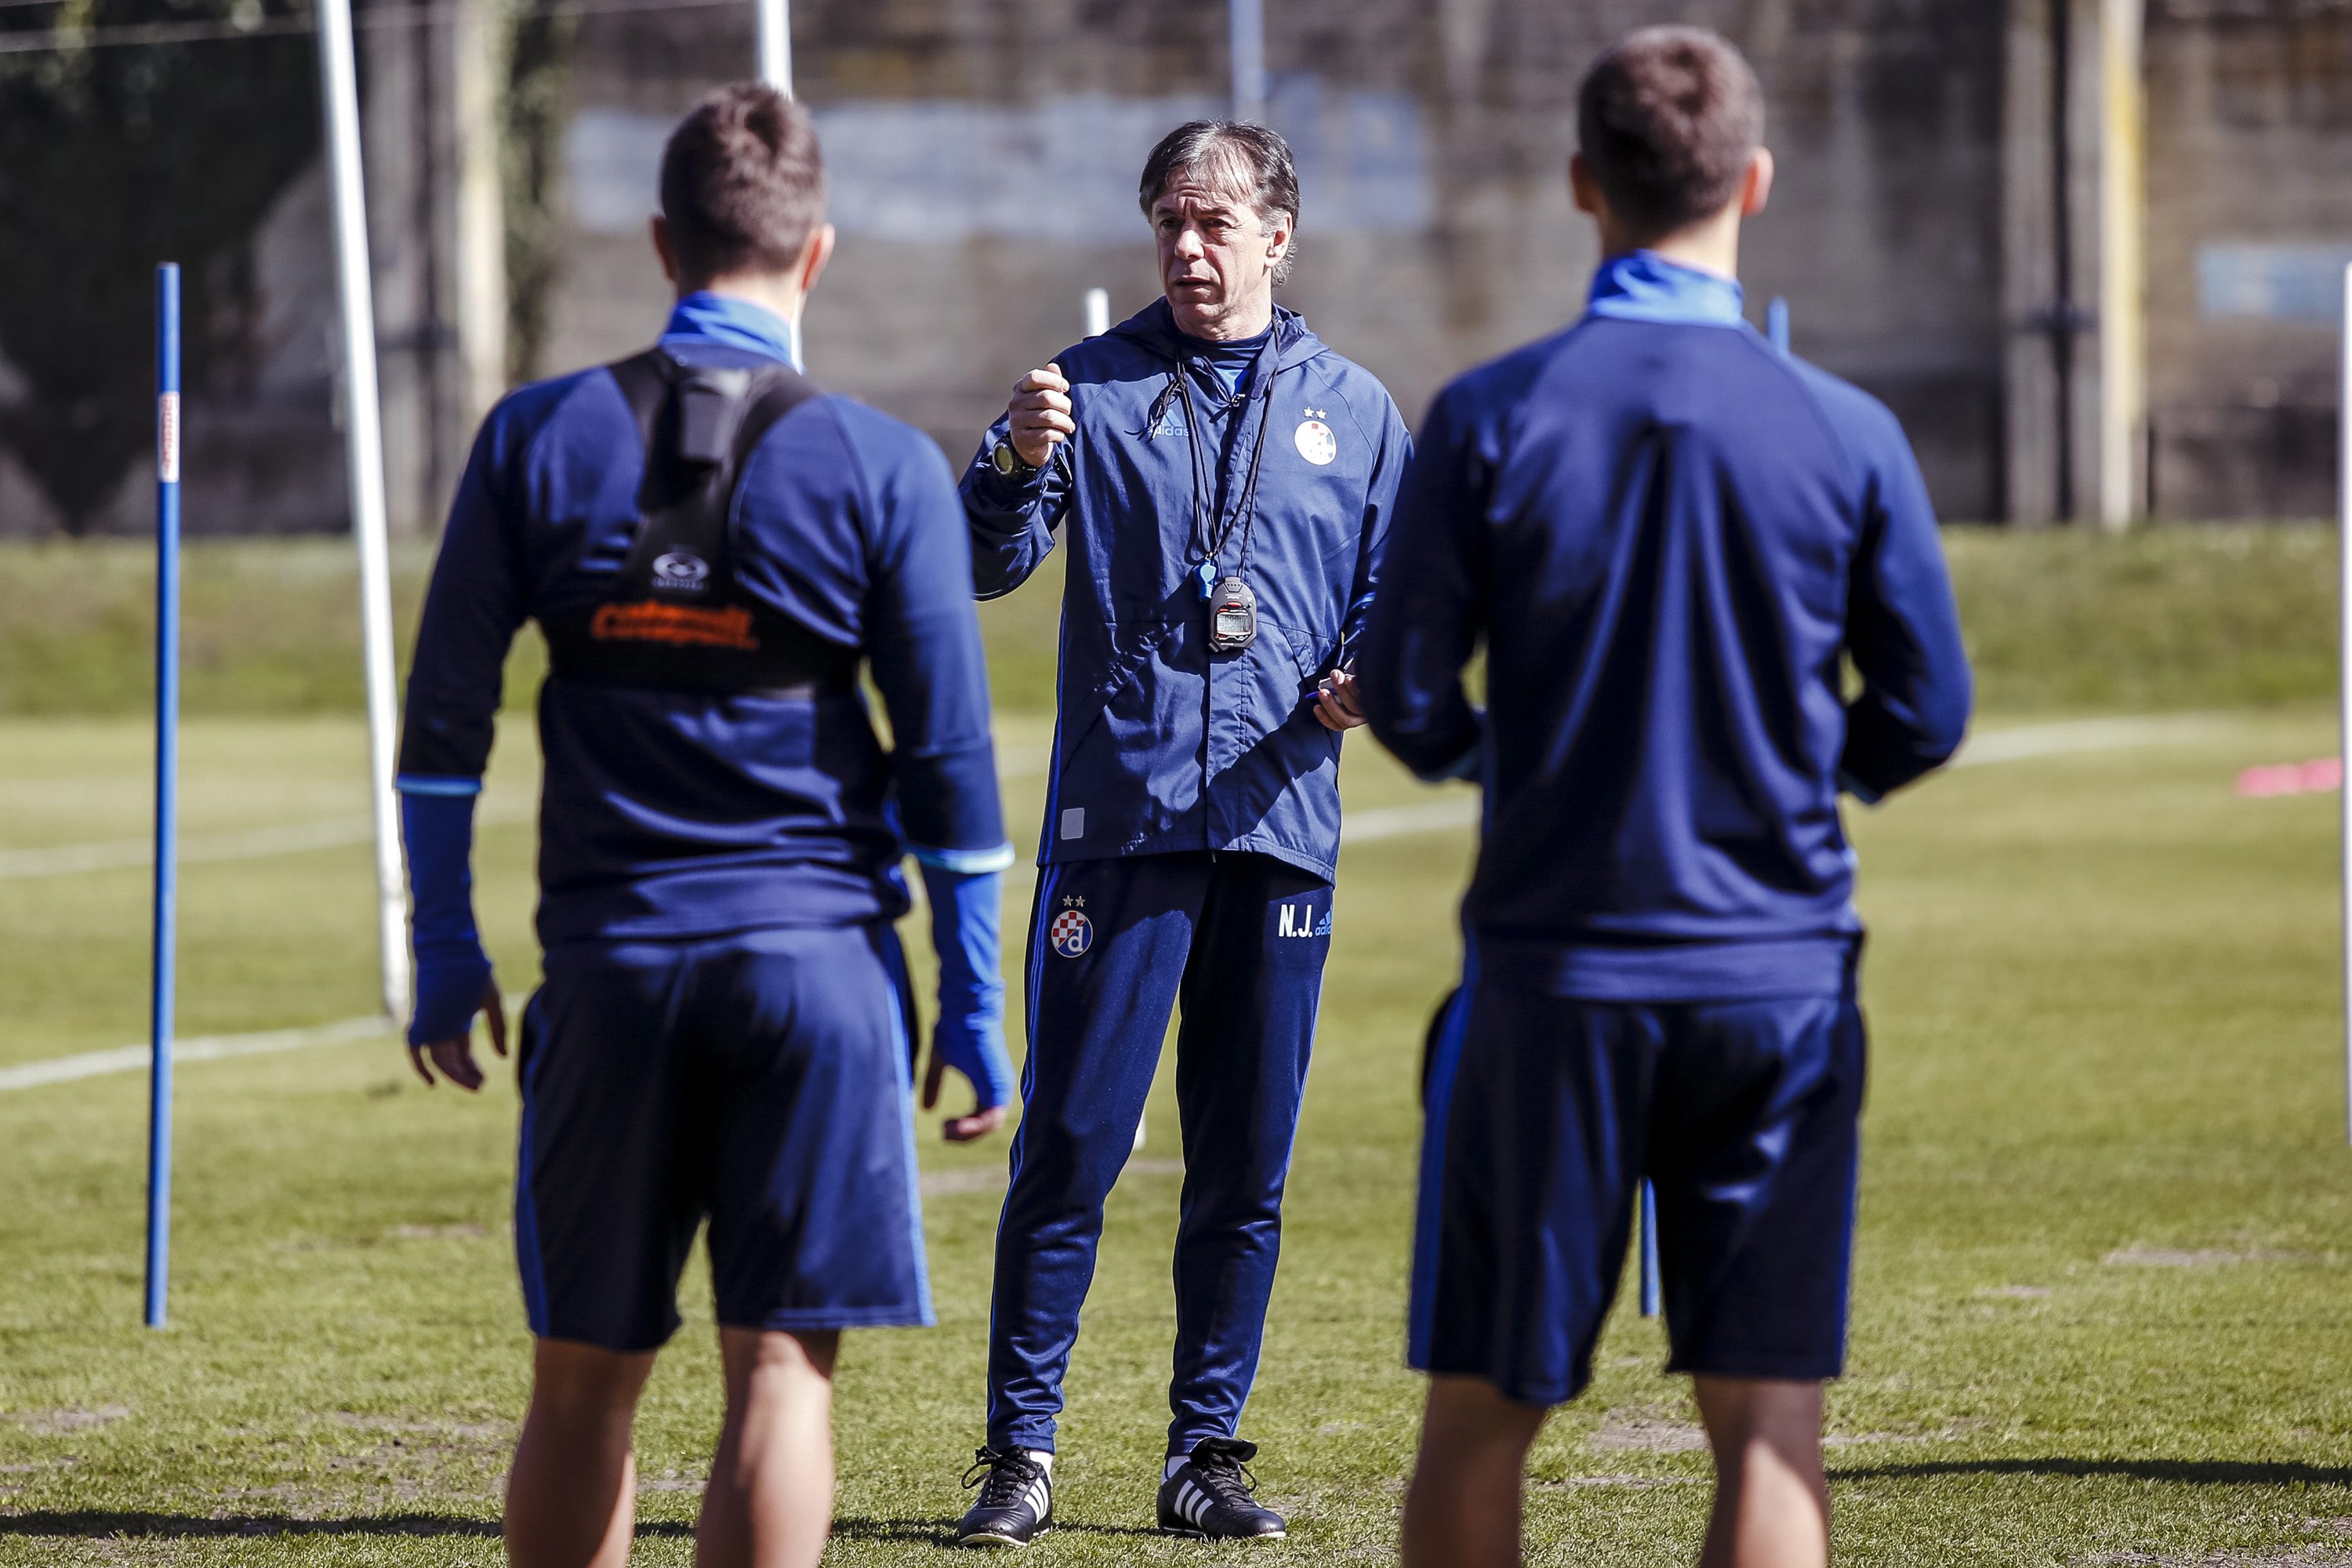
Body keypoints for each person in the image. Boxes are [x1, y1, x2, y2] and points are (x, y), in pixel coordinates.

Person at [1358, 27, 1973, 1568]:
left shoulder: (1489, 415)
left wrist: (1519, 761)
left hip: (1555, 973)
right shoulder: (1847, 430)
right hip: (1772, 976)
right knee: (1768, 1427)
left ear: (1582, 185)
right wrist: (1792, 771)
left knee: (1482, 1412)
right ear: (1754, 182)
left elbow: (1410, 695)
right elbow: (1929, 708)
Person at [394, 84, 1015, 1568]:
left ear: (662, 240)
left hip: (609, 975)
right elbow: (953, 775)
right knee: (782, 1374)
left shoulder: (530, 438)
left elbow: (440, 741)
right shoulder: (881, 465)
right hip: (818, 982)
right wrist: (981, 1004)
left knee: (582, 1387)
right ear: (815, 257)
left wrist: (439, 944)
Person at [949, 120, 1409, 1546]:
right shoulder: (1081, 390)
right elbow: (985, 563)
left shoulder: (1360, 411)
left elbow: (1405, 595)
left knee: (1244, 1164)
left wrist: (1366, 674)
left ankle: (1202, 1453)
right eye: (1167, 223)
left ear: (1279, 234)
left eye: (1214, 223)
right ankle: (1020, 1455)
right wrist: (1019, 466)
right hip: (1121, 822)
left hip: (1278, 825)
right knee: (1074, 1145)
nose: (1188, 249)